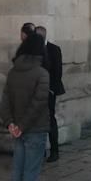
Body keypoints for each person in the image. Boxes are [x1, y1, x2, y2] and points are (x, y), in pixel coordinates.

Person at [0, 32, 52, 181]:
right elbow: (38, 104)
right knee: (30, 171)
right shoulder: (42, 73)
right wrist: (20, 126)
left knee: (17, 170)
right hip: (34, 129)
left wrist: (11, 124)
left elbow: (5, 101)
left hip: (18, 129)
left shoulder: (13, 72)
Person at [34, 26, 66, 163]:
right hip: (35, 91)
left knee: (50, 120)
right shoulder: (33, 49)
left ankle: (54, 151)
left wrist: (50, 89)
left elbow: (57, 72)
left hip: (49, 90)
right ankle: (40, 151)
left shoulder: (54, 49)